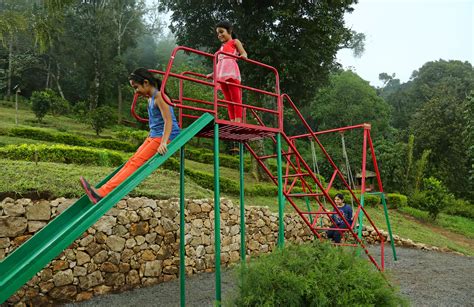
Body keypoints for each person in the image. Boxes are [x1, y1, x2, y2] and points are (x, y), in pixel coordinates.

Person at [80, 68, 181, 204]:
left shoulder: (160, 97)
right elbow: (156, 122)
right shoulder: (150, 99)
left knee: (136, 163)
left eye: (136, 87)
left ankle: (103, 192)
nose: (136, 91)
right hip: (155, 135)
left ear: (146, 83)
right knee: (132, 160)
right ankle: (102, 190)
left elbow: (168, 121)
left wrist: (163, 143)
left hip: (166, 135)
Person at [207, 20, 248, 123]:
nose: (219, 35)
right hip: (221, 75)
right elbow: (219, 63)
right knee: (228, 99)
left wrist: (243, 56)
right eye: (218, 33)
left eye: (221, 32)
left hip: (231, 72)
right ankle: (232, 119)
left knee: (235, 97)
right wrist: (213, 74)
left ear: (229, 30)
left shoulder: (235, 42)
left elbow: (244, 53)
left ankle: (238, 120)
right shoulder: (221, 47)